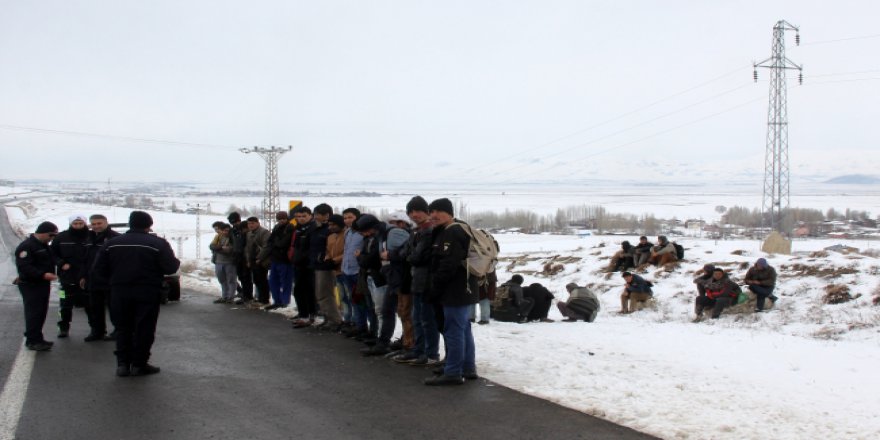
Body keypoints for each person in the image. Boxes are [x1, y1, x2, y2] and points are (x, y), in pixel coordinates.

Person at [96, 211, 180, 377]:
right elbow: (170, 267)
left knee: (122, 328)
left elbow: (98, 269)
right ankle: (139, 364)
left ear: (130, 224)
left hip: (119, 291)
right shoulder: (157, 243)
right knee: (144, 327)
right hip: (147, 291)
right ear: (149, 225)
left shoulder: (112, 243)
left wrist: (112, 283)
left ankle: (122, 365)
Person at [424, 198, 478, 386]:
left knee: (454, 329)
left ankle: (453, 371)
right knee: (463, 328)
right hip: (462, 288)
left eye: (439, 211)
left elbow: (448, 264)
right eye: (432, 211)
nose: (434, 215)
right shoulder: (457, 229)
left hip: (454, 290)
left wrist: (435, 288)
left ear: (449, 212)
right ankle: (467, 368)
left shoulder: (453, 232)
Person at [396, 196, 441, 365]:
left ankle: (431, 354)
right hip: (417, 281)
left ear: (427, 211)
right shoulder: (417, 231)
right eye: (411, 212)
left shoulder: (429, 231)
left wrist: (409, 256)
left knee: (427, 320)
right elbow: (403, 253)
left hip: (427, 283)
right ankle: (418, 350)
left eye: (418, 211)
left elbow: (416, 257)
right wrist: (409, 256)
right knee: (417, 318)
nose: (415, 215)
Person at [14, 221, 59, 351]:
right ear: (44, 233)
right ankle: (32, 340)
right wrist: (43, 275)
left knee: (41, 312)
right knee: (34, 313)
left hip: (41, 284)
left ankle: (37, 337)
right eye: (51, 235)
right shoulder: (27, 246)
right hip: (31, 285)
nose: (52, 239)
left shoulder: (43, 245)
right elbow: (25, 266)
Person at [80, 214, 120, 341]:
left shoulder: (115, 238)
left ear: (106, 223)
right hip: (93, 279)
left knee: (114, 307)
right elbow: (84, 259)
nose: (96, 226)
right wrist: (83, 276)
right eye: (94, 224)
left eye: (99, 223)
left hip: (110, 279)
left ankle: (118, 331)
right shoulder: (88, 238)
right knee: (94, 308)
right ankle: (97, 331)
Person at [50, 214, 91, 338]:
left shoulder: (91, 237)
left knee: (91, 306)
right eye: (75, 223)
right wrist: (61, 263)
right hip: (66, 280)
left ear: (84, 223)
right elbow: (52, 254)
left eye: (80, 223)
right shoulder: (61, 238)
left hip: (87, 278)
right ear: (70, 224)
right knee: (64, 306)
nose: (78, 226)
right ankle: (63, 328)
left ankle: (96, 329)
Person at [308, 204, 343, 330]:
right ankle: (328, 318)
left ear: (326, 215)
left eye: (317, 214)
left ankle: (334, 320)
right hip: (318, 264)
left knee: (325, 294)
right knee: (320, 294)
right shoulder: (318, 228)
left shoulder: (330, 231)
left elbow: (332, 249)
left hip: (327, 266)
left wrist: (329, 260)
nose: (315, 217)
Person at [258, 211, 294, 310]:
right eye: (279, 219)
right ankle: (277, 300)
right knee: (273, 281)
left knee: (285, 282)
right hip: (275, 259)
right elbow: (270, 241)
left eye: (283, 219)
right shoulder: (277, 227)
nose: (281, 221)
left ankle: (285, 301)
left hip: (285, 260)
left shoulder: (290, 228)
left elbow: (283, 243)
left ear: (287, 219)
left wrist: (275, 242)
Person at [291, 206, 318, 326]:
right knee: (298, 290)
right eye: (298, 216)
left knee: (309, 290)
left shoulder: (313, 228)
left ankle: (310, 314)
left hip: (308, 265)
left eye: (304, 216)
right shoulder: (298, 229)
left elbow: (312, 248)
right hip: (298, 264)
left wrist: (308, 261)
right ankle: (303, 313)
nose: (301, 219)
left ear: (310, 216)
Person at [227, 212, 253, 305]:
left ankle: (248, 296)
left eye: (236, 222)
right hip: (237, 256)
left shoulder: (245, 229)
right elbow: (232, 242)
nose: (235, 224)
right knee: (241, 277)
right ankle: (244, 295)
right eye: (233, 223)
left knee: (247, 277)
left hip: (245, 256)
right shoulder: (233, 231)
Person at [245, 217, 271, 305]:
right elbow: (248, 248)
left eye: (252, 223)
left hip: (262, 260)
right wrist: (248, 260)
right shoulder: (249, 234)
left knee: (262, 279)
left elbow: (266, 246)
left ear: (258, 223)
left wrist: (259, 258)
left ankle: (265, 299)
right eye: (249, 223)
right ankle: (260, 298)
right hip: (253, 260)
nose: (250, 225)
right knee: (256, 280)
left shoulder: (264, 232)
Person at [209, 223, 237, 304]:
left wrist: (218, 248)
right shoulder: (218, 237)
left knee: (231, 280)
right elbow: (212, 246)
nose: (225, 232)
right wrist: (221, 247)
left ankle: (230, 297)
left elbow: (229, 250)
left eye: (227, 231)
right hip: (218, 262)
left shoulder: (232, 238)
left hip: (229, 262)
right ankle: (224, 296)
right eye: (224, 230)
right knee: (222, 280)